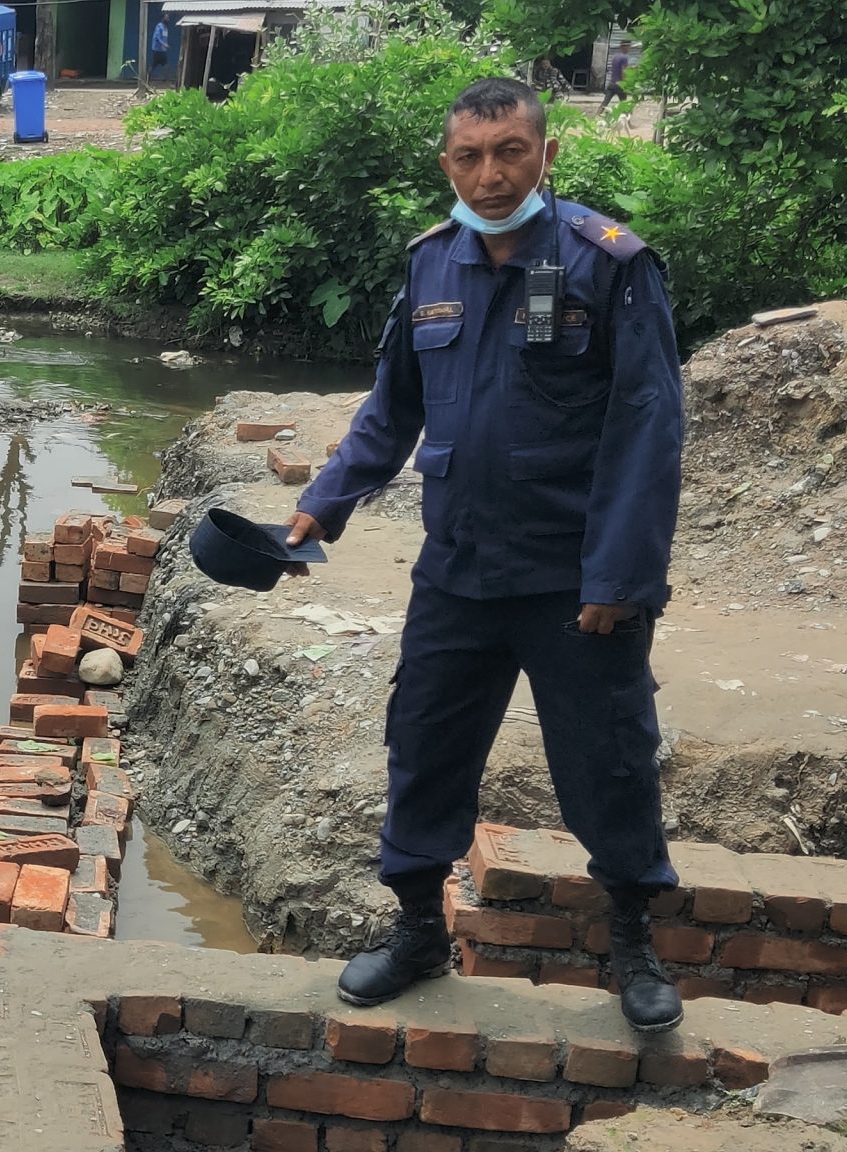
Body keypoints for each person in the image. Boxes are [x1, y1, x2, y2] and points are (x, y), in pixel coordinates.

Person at [282, 76, 687, 1032]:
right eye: (470, 156)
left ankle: (632, 944)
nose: (491, 174)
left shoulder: (609, 263)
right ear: (447, 165)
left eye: (510, 152)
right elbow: (395, 408)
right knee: (424, 748)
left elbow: (648, 425)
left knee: (608, 760)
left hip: (571, 579)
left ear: (547, 155)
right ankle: (420, 930)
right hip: (457, 570)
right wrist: (323, 505)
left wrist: (621, 579)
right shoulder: (432, 265)